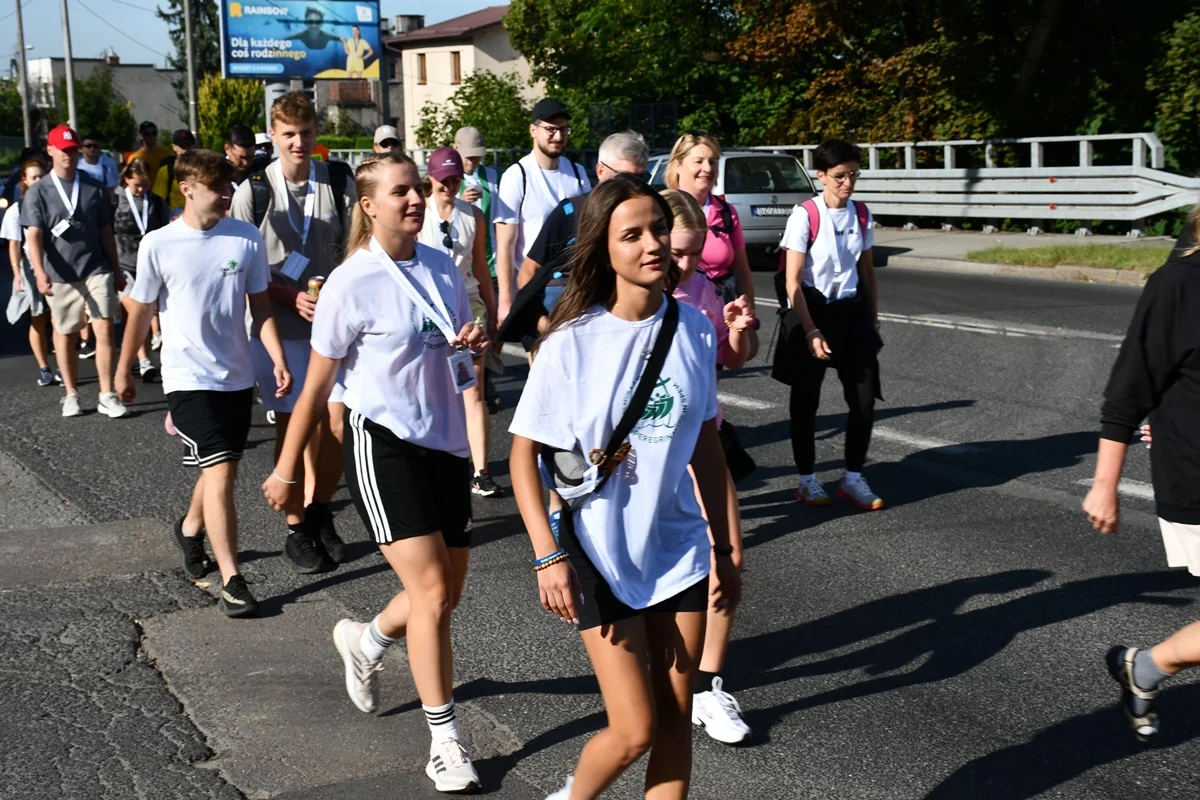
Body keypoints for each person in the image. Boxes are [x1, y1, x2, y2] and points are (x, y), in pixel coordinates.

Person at [261, 150, 490, 794]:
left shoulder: (442, 266)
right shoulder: (350, 282)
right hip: (381, 440)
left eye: (417, 189)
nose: (414, 200)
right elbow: (315, 389)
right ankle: (444, 741)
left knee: (444, 592)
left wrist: (468, 340)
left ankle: (365, 641)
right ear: (368, 204)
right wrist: (286, 473)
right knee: (434, 596)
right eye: (400, 192)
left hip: (444, 443)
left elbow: (447, 342)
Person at [510, 177, 740, 800]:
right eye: (632, 234)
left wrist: (725, 547)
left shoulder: (693, 329)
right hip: (599, 554)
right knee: (634, 729)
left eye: (659, 230)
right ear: (603, 249)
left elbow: (706, 445)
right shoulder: (571, 342)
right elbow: (523, 456)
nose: (652, 245)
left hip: (679, 546)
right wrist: (547, 555)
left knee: (674, 716)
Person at [116, 149, 290, 618]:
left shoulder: (245, 238)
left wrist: (274, 358)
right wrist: (123, 368)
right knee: (223, 473)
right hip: (186, 377)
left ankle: (191, 528)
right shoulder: (158, 244)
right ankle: (233, 578)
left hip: (235, 375)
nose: (227, 196)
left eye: (230, 187)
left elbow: (261, 307)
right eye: (218, 188)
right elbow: (140, 309)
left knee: (221, 465)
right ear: (188, 188)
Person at [1082, 204, 1200, 743]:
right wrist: (1105, 485)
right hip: (1195, 472)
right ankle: (1147, 668)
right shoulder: (1178, 284)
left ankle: (1144, 668)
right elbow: (1130, 387)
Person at [231, 90, 355, 574]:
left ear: (316, 133)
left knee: (336, 425)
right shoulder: (254, 190)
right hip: (277, 325)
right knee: (293, 428)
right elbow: (238, 268)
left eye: (305, 133)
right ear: (274, 136)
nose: (298, 143)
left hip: (332, 321)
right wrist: (289, 296)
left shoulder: (337, 181)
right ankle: (297, 527)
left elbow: (357, 247)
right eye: (288, 135)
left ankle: (321, 511)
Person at [659, 188, 757, 745]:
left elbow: (733, 359)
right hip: (643, 456)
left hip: (704, 441)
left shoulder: (704, 289)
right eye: (677, 252)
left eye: (695, 253)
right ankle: (657, 670)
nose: (687, 264)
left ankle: (707, 685)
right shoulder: (629, 294)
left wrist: (738, 328)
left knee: (729, 559)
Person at [778, 138, 882, 511]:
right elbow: (792, 282)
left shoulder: (863, 214)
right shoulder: (805, 215)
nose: (848, 182)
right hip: (813, 311)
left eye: (853, 174)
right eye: (839, 176)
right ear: (820, 176)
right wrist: (810, 330)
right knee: (806, 402)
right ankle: (807, 479)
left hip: (852, 314)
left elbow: (867, 272)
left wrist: (872, 320)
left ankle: (853, 477)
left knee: (865, 400)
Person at [22, 124, 127, 419]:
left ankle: (107, 394)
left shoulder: (92, 186)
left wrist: (116, 270)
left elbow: (106, 231)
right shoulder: (39, 191)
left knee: (104, 325)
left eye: (73, 149)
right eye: (63, 150)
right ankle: (71, 393)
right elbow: (34, 235)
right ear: (51, 151)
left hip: (96, 267)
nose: (69, 155)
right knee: (65, 332)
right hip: (60, 273)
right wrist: (39, 273)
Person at [417, 147, 501, 498]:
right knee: (433, 384)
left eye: (455, 179)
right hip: (429, 305)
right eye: (443, 180)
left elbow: (480, 266)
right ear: (431, 178)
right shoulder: (417, 212)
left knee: (473, 384)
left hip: (468, 303)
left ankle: (480, 470)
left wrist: (493, 314)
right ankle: (438, 457)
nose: (450, 186)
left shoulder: (473, 216)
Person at [516, 131, 649, 330]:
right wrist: (542, 323)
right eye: (626, 177)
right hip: (563, 326)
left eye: (641, 178)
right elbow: (529, 270)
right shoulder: (572, 211)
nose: (634, 186)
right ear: (601, 171)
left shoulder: (648, 217)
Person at [494, 98, 591, 327]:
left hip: (575, 287)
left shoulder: (577, 173)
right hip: (534, 289)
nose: (558, 136)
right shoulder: (517, 176)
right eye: (551, 129)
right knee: (541, 359)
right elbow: (505, 245)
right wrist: (506, 301)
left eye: (564, 129)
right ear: (533, 130)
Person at [664, 131, 755, 308]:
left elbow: (742, 272)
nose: (707, 168)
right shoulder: (662, 208)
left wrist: (749, 319)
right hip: (676, 312)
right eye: (698, 161)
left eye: (712, 162)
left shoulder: (726, 212)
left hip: (722, 316)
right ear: (678, 165)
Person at [454, 125, 502, 410]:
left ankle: (487, 376)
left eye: (477, 156)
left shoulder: (493, 178)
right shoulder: (447, 179)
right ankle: (465, 384)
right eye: (468, 156)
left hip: (490, 264)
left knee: (490, 325)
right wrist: (460, 202)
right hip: (461, 267)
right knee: (463, 329)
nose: (473, 162)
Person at [113, 159, 168, 382]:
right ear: (126, 179)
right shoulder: (114, 199)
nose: (141, 189)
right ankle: (144, 361)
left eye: (145, 185)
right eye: (137, 184)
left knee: (136, 315)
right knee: (137, 309)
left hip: (148, 265)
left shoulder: (155, 201)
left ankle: (140, 354)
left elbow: (165, 231)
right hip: (122, 265)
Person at [3, 160, 57, 386]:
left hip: (55, 265)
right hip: (31, 267)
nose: (38, 181)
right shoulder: (16, 210)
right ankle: (44, 368)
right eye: (33, 177)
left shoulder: (55, 204)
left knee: (59, 317)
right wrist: (17, 273)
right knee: (37, 317)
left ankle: (63, 365)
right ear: (24, 181)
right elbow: (14, 244)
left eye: (41, 176)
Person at [153, 129, 198, 216]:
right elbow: (159, 199)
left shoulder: (202, 169)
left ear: (193, 146)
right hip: (174, 214)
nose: (185, 150)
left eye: (188, 145)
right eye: (181, 146)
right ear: (174, 147)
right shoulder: (166, 170)